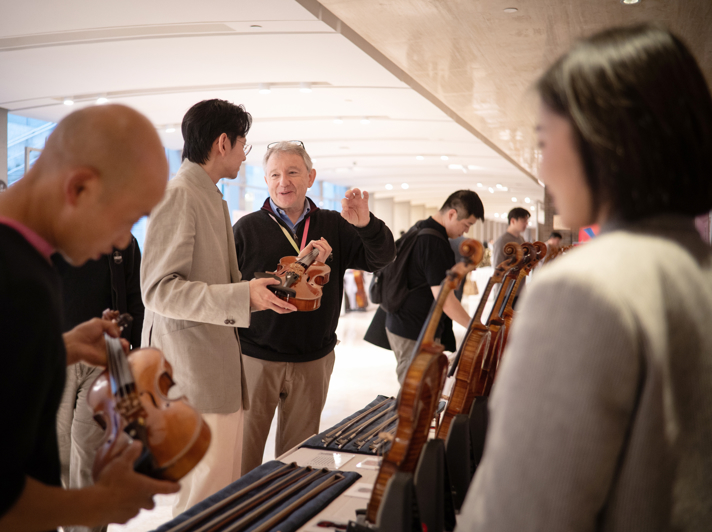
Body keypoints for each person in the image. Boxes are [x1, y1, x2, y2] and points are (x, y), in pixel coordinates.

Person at [458, 24, 712, 531]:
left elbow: (522, 516)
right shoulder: (696, 269)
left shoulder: (582, 289)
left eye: (544, 140)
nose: (543, 166)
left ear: (602, 141)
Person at [0, 104, 178, 532]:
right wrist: (102, 502)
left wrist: (58, 348)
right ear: (80, 187)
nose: (121, 242)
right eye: (128, 219)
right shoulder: (13, 281)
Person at [140, 99, 291, 514]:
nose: (244, 155)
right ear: (223, 143)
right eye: (243, 144)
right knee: (202, 499)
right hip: (192, 374)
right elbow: (159, 290)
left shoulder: (207, 194)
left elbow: (214, 282)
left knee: (218, 493)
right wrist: (242, 296)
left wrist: (258, 291)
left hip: (213, 368)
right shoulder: (180, 194)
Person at [233, 141, 395, 474]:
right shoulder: (246, 228)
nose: (283, 182)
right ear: (265, 180)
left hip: (313, 360)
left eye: (293, 172)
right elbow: (228, 289)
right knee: (243, 455)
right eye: (274, 174)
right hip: (255, 358)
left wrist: (366, 225)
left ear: (311, 176)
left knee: (297, 459)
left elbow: (381, 258)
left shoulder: (335, 224)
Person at [54, 235, 145, 532]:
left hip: (106, 358)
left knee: (89, 449)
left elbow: (136, 299)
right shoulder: (50, 236)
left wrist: (134, 354)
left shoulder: (122, 241)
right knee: (59, 451)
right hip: (59, 357)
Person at [385, 190, 484, 384]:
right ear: (452, 214)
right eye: (467, 224)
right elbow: (444, 299)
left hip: (402, 322)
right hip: (415, 329)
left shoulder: (420, 227)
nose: (466, 231)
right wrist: (475, 327)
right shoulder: (434, 242)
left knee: (418, 389)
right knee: (416, 393)